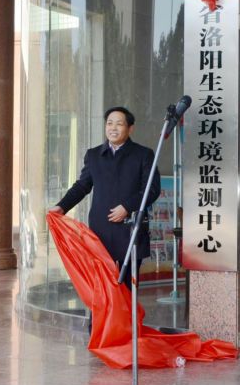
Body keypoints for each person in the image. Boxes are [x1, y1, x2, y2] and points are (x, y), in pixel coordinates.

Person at [49, 106, 160, 291]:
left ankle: (125, 320)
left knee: (126, 286)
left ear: (130, 128)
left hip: (130, 229)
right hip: (101, 230)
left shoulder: (143, 155)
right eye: (109, 123)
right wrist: (62, 206)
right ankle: (98, 321)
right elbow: (82, 186)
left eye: (119, 124)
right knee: (100, 284)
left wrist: (127, 207)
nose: (113, 128)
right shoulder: (94, 155)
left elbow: (152, 189)